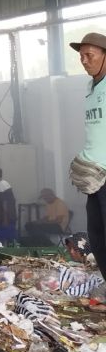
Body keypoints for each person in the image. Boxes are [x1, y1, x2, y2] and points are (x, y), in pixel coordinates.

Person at [70, 32, 106, 272]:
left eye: (89, 55)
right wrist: (87, 156)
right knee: (98, 235)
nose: (84, 60)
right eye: (81, 56)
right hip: (95, 178)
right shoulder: (90, 88)